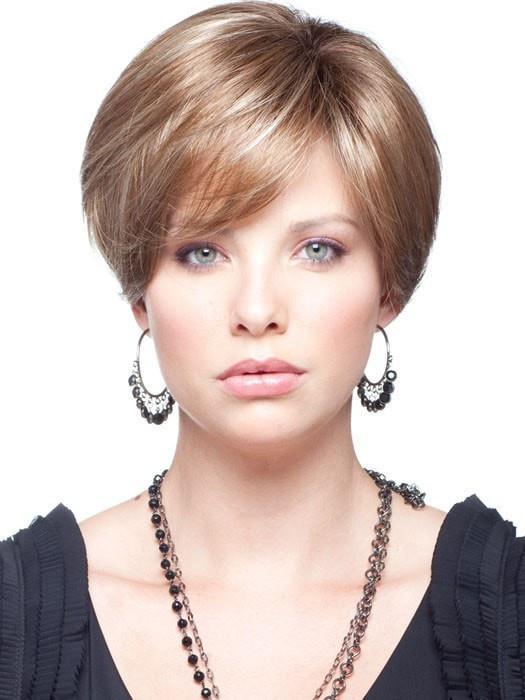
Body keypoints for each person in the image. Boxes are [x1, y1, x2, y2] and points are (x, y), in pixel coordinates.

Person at [1, 2, 524, 698]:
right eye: (201, 252)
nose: (255, 311)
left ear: (388, 286)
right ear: (139, 295)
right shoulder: (17, 620)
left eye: (317, 249)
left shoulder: (505, 615)